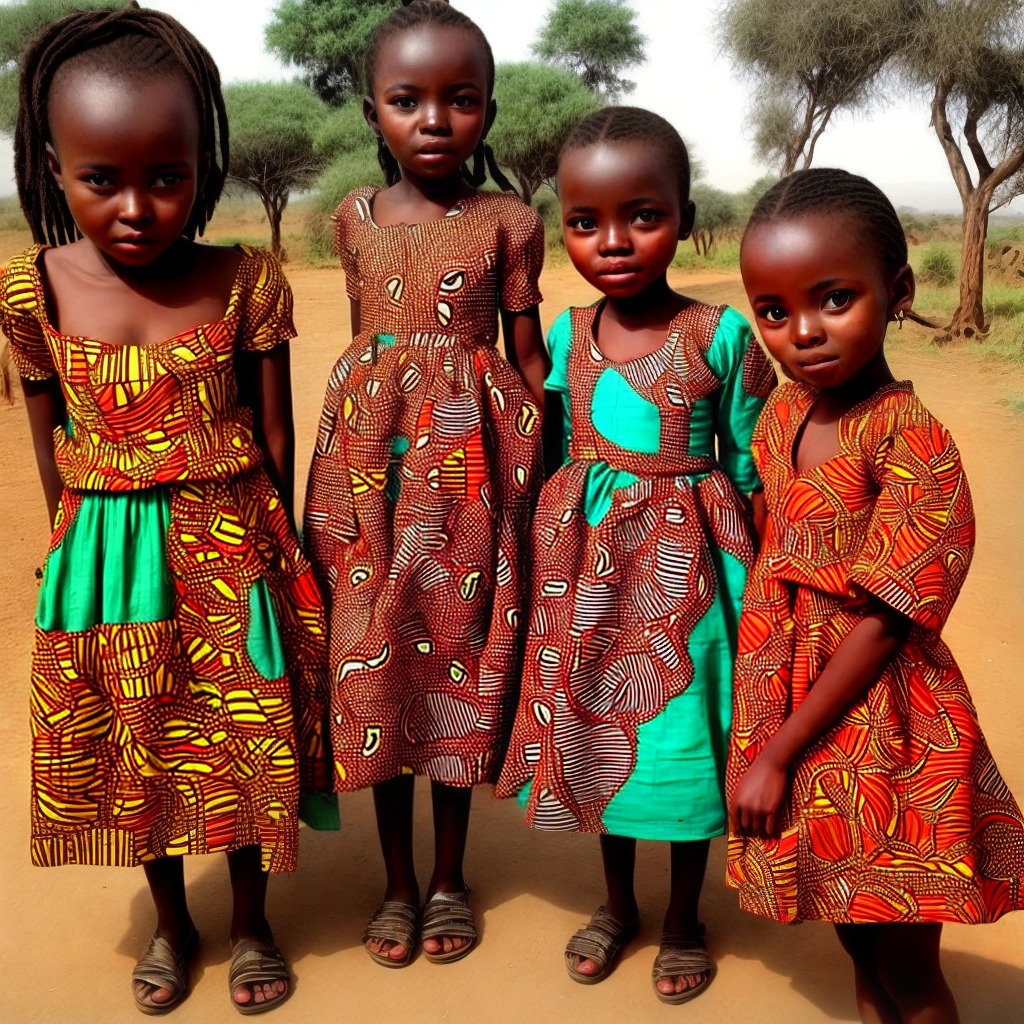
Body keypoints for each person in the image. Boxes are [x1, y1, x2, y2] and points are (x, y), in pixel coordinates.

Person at [1, 3, 331, 1015]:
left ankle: (249, 922)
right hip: (106, 555)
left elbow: (273, 437)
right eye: (102, 179)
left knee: (239, 732)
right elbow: (48, 438)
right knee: (135, 730)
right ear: (53, 168)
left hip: (231, 544)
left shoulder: (245, 280)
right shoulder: (33, 289)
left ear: (205, 166)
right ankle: (170, 924)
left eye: (167, 177)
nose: (137, 207)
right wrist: (72, 547)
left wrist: (287, 553)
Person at [727, 167, 1024, 1024]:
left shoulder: (912, 441)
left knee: (906, 964)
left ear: (897, 291)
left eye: (833, 299)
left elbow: (889, 621)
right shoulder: (781, 416)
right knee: (851, 928)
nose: (802, 333)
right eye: (774, 311)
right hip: (792, 711)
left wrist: (777, 753)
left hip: (885, 730)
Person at [495, 106, 775, 1004]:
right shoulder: (568, 339)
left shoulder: (721, 334)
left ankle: (685, 914)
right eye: (585, 221)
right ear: (563, 226)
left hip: (693, 578)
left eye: (643, 215)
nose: (612, 240)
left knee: (683, 742)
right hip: (589, 577)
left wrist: (767, 575)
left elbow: (751, 459)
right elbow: (557, 454)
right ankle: (616, 904)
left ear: (686, 218)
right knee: (603, 735)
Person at [303, 0, 547, 967]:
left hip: (474, 474)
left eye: (461, 100)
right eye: (409, 100)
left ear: (488, 110)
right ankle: (394, 884)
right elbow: (371, 343)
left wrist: (548, 471)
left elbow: (525, 358)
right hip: (368, 472)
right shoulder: (351, 219)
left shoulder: (511, 222)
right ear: (373, 114)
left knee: (453, 662)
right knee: (379, 660)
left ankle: (447, 878)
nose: (435, 120)